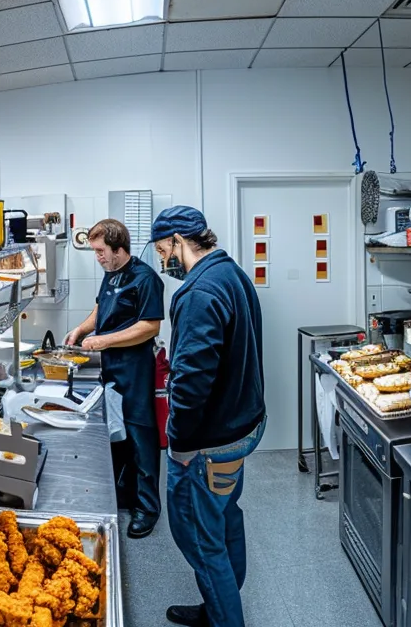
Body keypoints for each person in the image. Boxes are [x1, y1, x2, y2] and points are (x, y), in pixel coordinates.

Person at [150, 206, 265, 627]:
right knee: (225, 515)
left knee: (200, 537)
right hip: (243, 425)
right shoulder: (230, 272)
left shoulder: (198, 293)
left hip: (208, 442)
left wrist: (179, 445)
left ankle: (224, 616)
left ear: (179, 241)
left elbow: (192, 382)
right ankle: (218, 606)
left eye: (165, 252)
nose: (165, 262)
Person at [64, 219, 165, 538]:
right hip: (110, 370)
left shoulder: (145, 278)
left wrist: (105, 340)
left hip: (135, 369)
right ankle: (125, 494)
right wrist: (83, 329)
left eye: (100, 251)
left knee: (141, 437)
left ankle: (148, 508)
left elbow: (150, 326)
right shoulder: (110, 275)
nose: (97, 257)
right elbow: (100, 310)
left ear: (119, 248)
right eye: (95, 251)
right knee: (117, 435)